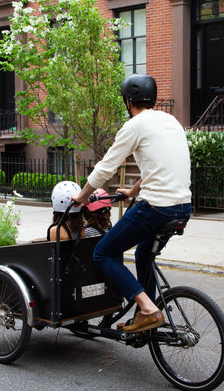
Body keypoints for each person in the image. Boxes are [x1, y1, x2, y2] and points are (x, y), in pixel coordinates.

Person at [72, 73, 192, 333]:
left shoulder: (135, 125)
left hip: (156, 208)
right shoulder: (171, 121)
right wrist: (133, 191)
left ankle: (148, 309)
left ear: (128, 101)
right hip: (183, 206)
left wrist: (82, 197)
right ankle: (144, 316)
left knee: (103, 252)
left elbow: (105, 168)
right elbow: (162, 167)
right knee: (142, 254)